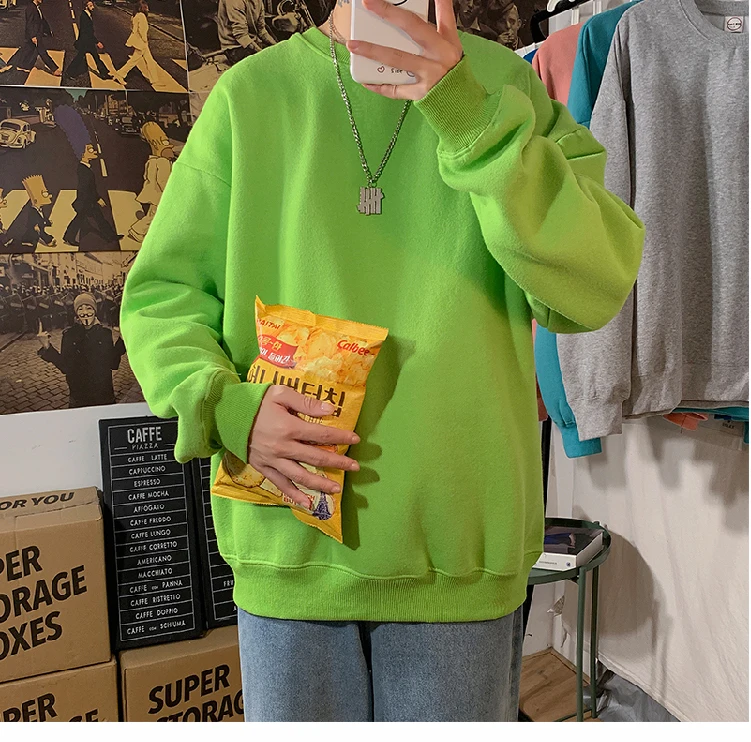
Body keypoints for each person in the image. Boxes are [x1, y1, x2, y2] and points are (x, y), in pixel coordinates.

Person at [121, 0, 644, 722]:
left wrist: (466, 113)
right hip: (290, 540)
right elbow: (163, 298)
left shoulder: (505, 85)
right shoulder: (251, 96)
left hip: (458, 548)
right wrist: (226, 409)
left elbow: (593, 282)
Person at [38, 291, 126, 408]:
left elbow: (113, 363)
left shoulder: (105, 333)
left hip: (103, 395)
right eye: (80, 309)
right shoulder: (69, 335)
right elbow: (65, 366)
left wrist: (122, 340)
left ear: (95, 310)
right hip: (79, 396)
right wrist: (47, 346)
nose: (85, 312)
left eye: (89, 308)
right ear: (76, 312)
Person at [54, 105, 122, 248]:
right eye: (90, 150)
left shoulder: (86, 168)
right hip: (85, 202)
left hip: (88, 201)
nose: (94, 151)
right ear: (83, 154)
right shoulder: (83, 170)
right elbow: (86, 189)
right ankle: (69, 237)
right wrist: (97, 198)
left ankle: (110, 236)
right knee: (79, 220)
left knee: (99, 219)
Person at [128, 122, 174, 242]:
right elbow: (163, 181)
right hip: (160, 195)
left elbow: (146, 176)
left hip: (154, 194)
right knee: (153, 216)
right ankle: (137, 231)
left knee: (154, 215)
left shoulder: (152, 161)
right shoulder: (163, 162)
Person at [0, 0, 61, 78]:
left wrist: (48, 31)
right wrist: (33, 36)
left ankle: (15, 64)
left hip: (36, 34)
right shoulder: (30, 8)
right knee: (42, 51)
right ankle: (54, 69)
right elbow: (29, 23)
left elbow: (42, 20)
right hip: (34, 34)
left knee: (26, 49)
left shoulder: (36, 8)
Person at [112, 2, 164, 89]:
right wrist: (145, 40)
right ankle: (120, 74)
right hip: (141, 43)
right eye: (146, 7)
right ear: (142, 8)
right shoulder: (141, 16)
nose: (148, 9)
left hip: (139, 42)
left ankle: (155, 80)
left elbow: (133, 28)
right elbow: (142, 30)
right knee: (134, 61)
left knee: (149, 61)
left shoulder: (135, 16)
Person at [0, 175, 57, 252]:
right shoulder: (33, 213)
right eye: (45, 194)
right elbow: (38, 228)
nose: (50, 196)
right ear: (36, 200)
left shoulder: (37, 210)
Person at [217, 0, 277, 65]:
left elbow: (261, 30)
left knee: (277, 55)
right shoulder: (234, 1)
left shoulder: (258, 1)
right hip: (235, 47)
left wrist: (278, 46)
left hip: (252, 41)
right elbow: (241, 36)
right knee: (269, 63)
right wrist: (261, 54)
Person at [65, 1, 112, 80]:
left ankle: (104, 73)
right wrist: (97, 42)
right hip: (85, 42)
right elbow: (87, 32)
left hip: (88, 41)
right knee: (79, 58)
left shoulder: (87, 15)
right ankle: (69, 73)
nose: (93, 7)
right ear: (86, 7)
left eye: (92, 5)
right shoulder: (84, 16)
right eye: (90, 6)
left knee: (96, 57)